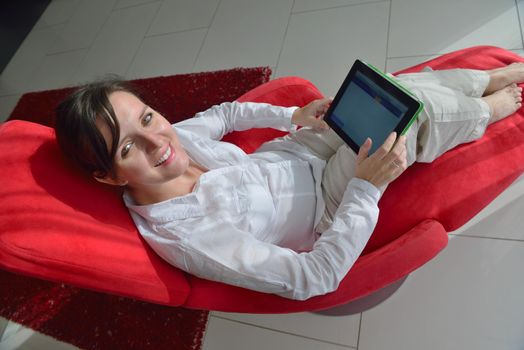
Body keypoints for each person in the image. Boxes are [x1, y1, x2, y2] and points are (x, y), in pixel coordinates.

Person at [54, 64, 523, 300]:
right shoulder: (189, 235)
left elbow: (226, 114)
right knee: (408, 122)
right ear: (108, 175)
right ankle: (498, 105)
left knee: (386, 92)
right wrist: (365, 187)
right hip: (326, 199)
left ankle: (487, 76)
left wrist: (291, 115)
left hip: (293, 152)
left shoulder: (173, 139)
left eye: (148, 118)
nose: (158, 142)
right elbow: (313, 278)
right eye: (128, 148)